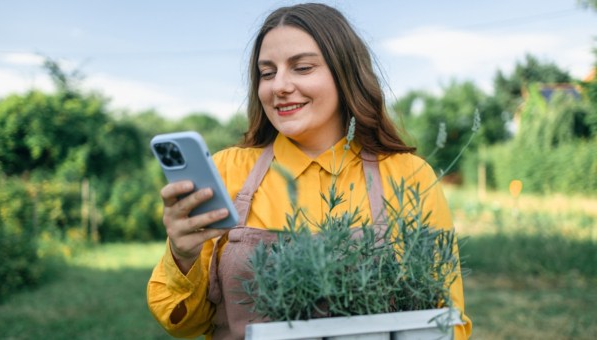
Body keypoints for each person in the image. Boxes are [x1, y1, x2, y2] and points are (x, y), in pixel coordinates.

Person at [147, 3, 472, 339]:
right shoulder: (229, 169)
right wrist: (182, 255)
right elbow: (186, 323)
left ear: (345, 73)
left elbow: (446, 319)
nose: (279, 86)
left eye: (301, 68)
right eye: (267, 73)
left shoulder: (409, 176)